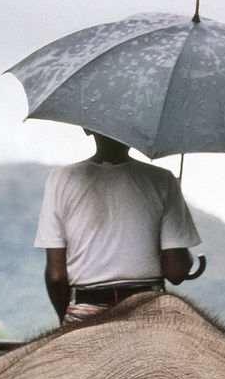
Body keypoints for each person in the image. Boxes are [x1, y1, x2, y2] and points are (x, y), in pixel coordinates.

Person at [34, 130, 201, 324]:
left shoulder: (60, 178)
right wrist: (184, 254)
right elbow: (176, 272)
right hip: (147, 308)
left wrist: (67, 320)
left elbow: (55, 276)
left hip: (85, 306)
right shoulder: (163, 179)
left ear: (86, 129)